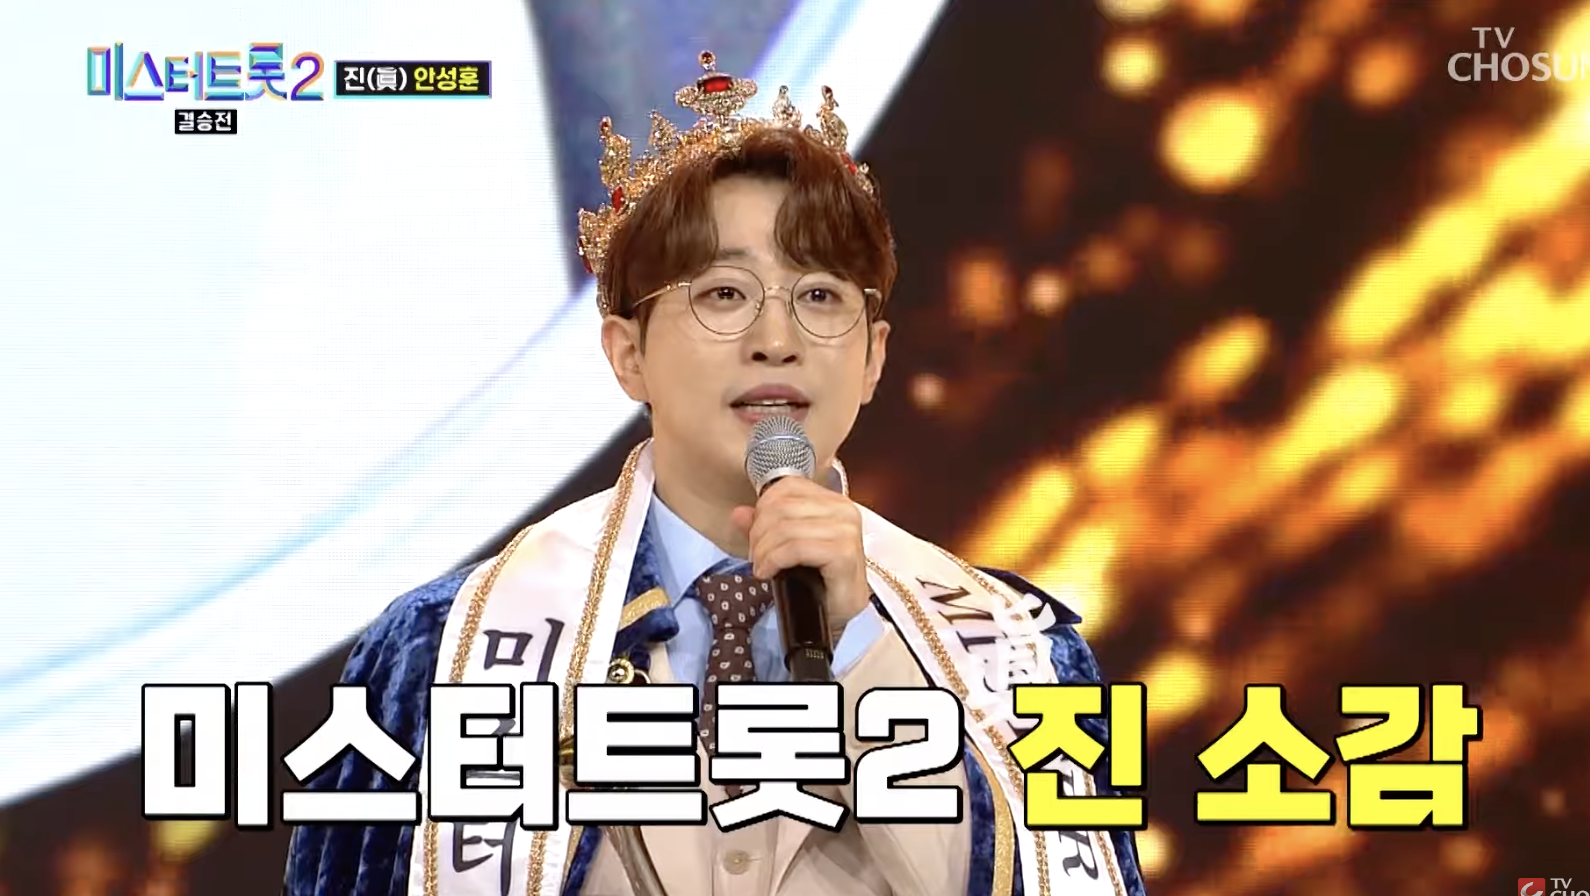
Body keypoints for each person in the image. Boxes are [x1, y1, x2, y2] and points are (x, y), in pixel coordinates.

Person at [284, 51, 1148, 896]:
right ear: (627, 354)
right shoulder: (442, 650)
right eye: (724, 294)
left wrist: (861, 649)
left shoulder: (1019, 655)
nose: (777, 340)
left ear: (874, 358)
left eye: (820, 297)